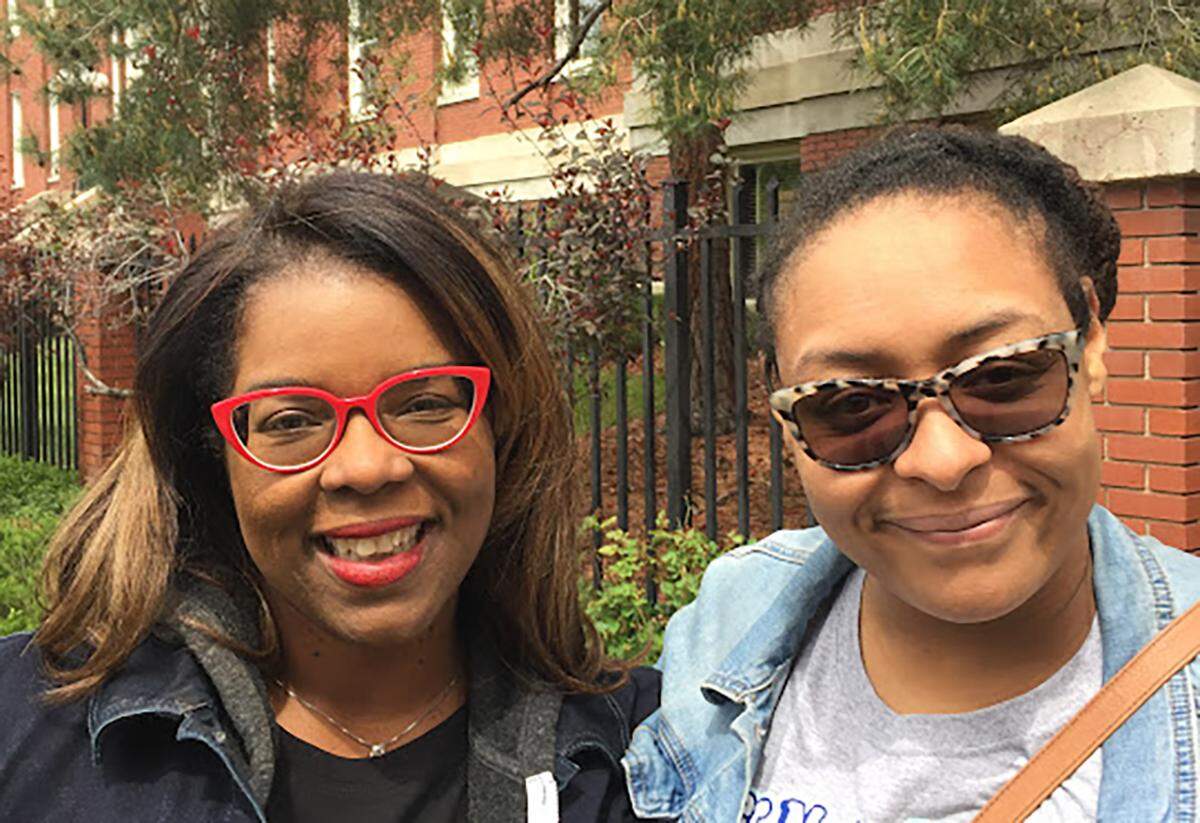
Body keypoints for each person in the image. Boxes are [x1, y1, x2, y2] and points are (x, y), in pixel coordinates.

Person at [0, 171, 658, 822]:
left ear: (501, 427)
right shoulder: (27, 732)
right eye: (292, 420)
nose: (367, 468)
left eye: (424, 404)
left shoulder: (652, 761)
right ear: (213, 456)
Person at [622, 126, 1200, 821]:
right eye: (851, 405)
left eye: (1002, 376)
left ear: (1092, 342)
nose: (942, 461)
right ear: (785, 412)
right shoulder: (733, 613)